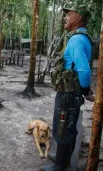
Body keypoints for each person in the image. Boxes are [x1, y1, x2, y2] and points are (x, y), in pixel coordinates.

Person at [40, 5, 94, 171]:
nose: (65, 18)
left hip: (68, 94)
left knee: (63, 126)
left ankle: (60, 165)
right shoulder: (81, 37)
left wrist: (84, 89)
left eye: (68, 14)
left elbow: (84, 69)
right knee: (68, 125)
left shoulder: (77, 39)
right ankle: (64, 157)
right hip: (70, 93)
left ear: (77, 18)